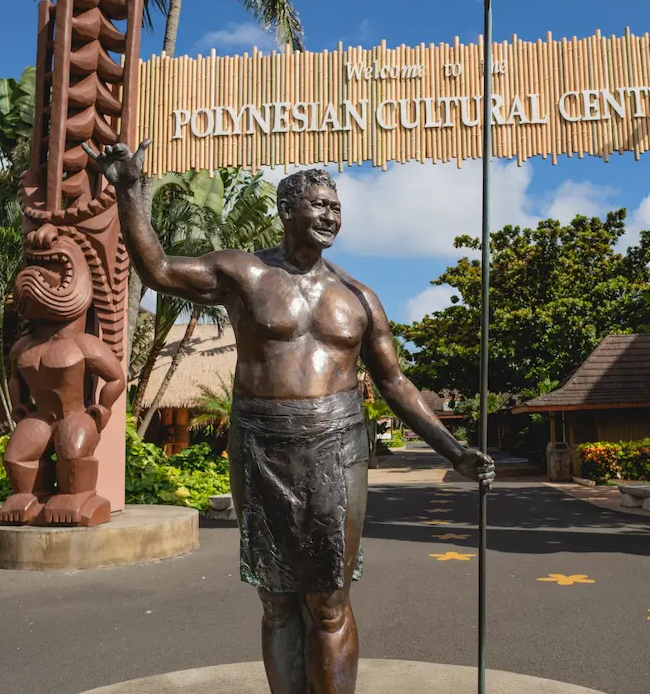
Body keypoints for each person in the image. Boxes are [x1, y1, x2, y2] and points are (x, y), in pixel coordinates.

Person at [88, 140, 495, 694]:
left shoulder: (358, 297)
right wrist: (130, 190)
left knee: (328, 602)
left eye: (336, 208)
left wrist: (455, 451)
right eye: (320, 205)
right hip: (261, 442)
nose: (331, 216)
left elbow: (395, 383)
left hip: (337, 444)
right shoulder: (243, 273)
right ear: (286, 210)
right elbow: (157, 270)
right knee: (277, 599)